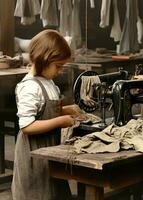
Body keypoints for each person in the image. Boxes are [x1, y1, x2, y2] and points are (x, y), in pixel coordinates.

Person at [11, 29, 80, 200]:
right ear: (44, 59)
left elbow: (44, 112)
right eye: (58, 66)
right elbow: (27, 126)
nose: (60, 71)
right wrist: (60, 120)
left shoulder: (48, 82)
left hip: (50, 149)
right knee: (38, 194)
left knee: (54, 193)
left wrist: (66, 110)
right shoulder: (29, 87)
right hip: (34, 153)